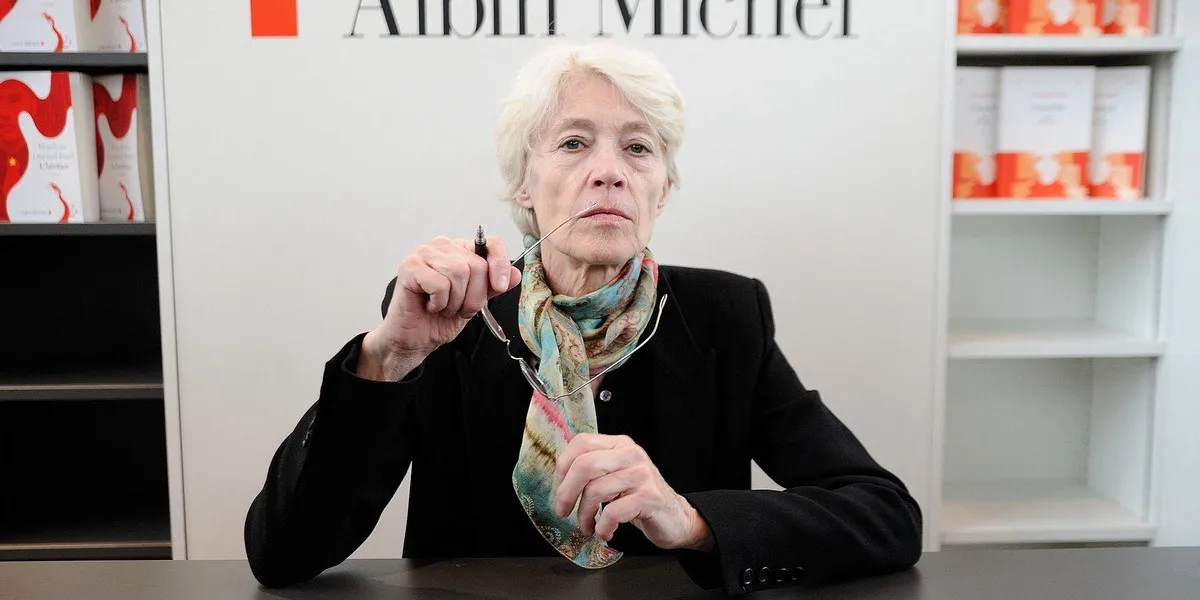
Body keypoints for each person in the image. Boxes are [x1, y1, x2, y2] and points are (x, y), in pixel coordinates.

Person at [243, 43, 923, 596]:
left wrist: (691, 520)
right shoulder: (453, 313)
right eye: (573, 143)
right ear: (523, 183)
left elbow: (885, 514)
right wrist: (388, 358)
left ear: (664, 188)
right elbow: (283, 553)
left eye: (638, 148)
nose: (609, 172)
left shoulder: (725, 317)